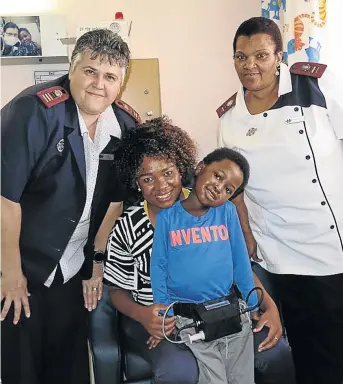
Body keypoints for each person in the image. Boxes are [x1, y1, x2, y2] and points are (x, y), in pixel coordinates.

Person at [103, 117, 295, 384]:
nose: (161, 186)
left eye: (168, 173)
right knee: (180, 370)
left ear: (182, 169)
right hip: (157, 317)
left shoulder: (212, 203)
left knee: (275, 351)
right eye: (148, 178)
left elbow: (239, 265)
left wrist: (269, 308)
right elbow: (115, 290)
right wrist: (145, 315)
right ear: (136, 182)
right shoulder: (127, 227)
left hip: (220, 310)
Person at [1, 29, 140, 384]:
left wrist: (95, 265)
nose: (98, 84)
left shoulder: (124, 126)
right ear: (71, 68)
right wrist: (12, 276)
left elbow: (114, 201)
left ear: (121, 84)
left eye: (110, 76)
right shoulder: (33, 112)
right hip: (20, 263)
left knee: (68, 366)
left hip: (71, 266)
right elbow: (5, 200)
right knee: (21, 367)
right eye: (90, 71)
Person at [217, 16, 343, 384]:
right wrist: (247, 236)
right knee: (307, 352)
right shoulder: (231, 117)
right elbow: (234, 189)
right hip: (279, 251)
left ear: (279, 56)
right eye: (240, 57)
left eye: (260, 56)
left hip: (330, 243)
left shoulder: (315, 84)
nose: (249, 66)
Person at [150, 147, 259, 384]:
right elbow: (158, 266)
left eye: (228, 189)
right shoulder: (168, 218)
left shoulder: (227, 213)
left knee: (243, 379)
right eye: (218, 176)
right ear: (200, 168)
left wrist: (253, 307)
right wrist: (163, 315)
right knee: (214, 380)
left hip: (232, 312)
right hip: (191, 319)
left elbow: (241, 261)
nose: (219, 187)